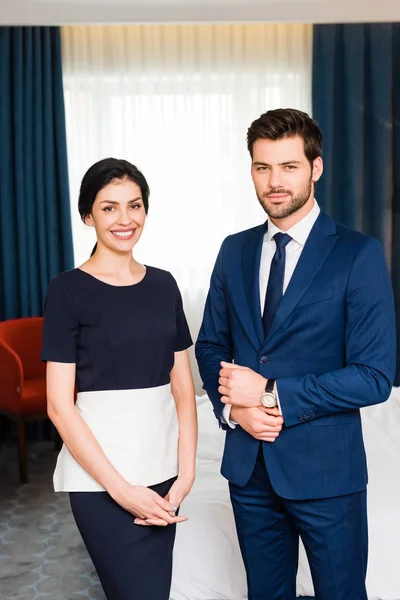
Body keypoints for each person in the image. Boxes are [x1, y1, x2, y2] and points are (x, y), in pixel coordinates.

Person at [195, 108, 396, 599]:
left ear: (316, 168)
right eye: (263, 168)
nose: (275, 181)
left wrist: (268, 394)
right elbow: (212, 345)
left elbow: (374, 376)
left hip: (328, 471)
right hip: (249, 471)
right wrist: (234, 408)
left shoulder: (357, 253)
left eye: (289, 166)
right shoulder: (233, 250)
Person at [41, 158, 197, 600]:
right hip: (100, 481)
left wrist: (185, 474)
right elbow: (58, 405)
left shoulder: (165, 285)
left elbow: (184, 389)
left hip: (165, 474)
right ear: (88, 215)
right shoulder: (67, 290)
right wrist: (123, 491)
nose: (125, 219)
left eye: (135, 205)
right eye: (109, 208)